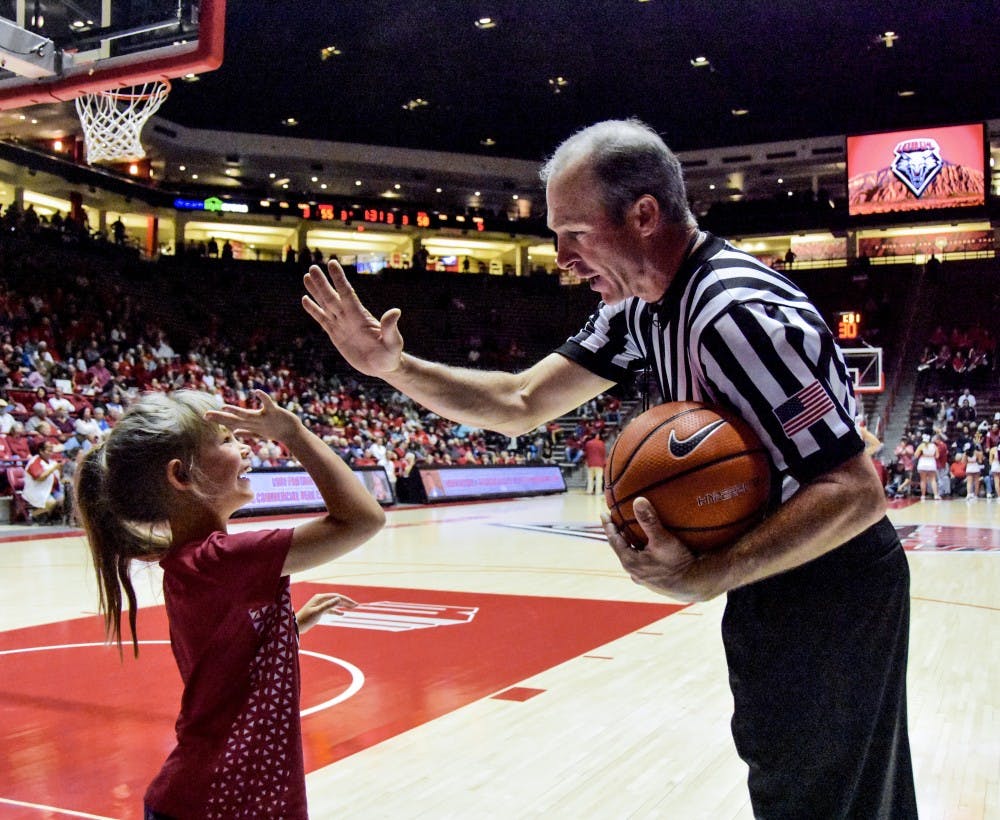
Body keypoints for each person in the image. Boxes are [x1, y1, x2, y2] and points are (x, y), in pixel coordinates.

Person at [301, 118, 916, 817]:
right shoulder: (637, 310)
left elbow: (855, 490)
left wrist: (705, 573)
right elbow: (520, 399)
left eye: (574, 233)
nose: (561, 257)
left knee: (827, 797)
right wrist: (394, 367)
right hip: (773, 570)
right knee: (807, 783)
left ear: (644, 215)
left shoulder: (736, 312)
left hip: (831, 575)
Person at [74, 389, 385, 818]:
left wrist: (292, 627)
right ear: (181, 476)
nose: (244, 446)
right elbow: (363, 518)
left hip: (217, 797)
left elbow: (223, 662)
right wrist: (292, 433)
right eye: (225, 439)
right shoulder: (221, 560)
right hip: (217, 801)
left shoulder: (193, 562)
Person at [23, 438, 63, 522]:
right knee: (51, 502)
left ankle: (51, 517)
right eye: (49, 451)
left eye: (52, 451)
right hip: (36, 490)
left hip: (52, 490)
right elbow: (39, 478)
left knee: (64, 500)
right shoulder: (34, 462)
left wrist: (60, 470)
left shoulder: (52, 461)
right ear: (41, 451)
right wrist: (53, 468)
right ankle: (33, 515)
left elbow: (59, 477)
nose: (51, 453)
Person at [914, 433, 940, 499]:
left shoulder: (921, 445)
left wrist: (923, 455)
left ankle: (923, 495)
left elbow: (916, 455)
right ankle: (936, 495)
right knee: (933, 480)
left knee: (923, 480)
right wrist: (931, 455)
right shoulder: (934, 446)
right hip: (931, 463)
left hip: (923, 463)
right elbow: (937, 456)